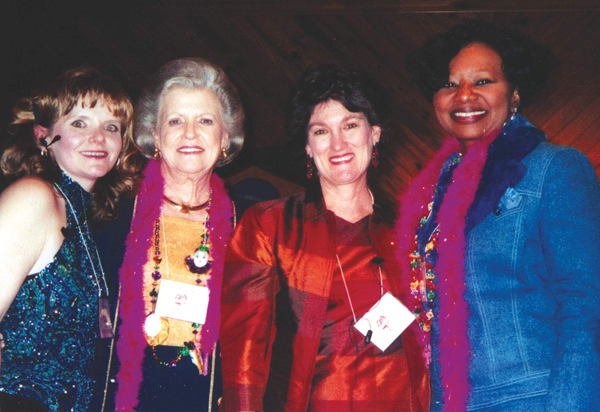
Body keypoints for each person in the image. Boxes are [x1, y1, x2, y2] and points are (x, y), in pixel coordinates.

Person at [399, 20, 600, 412]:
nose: (464, 95)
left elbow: (584, 311)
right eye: (449, 83)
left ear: (515, 93)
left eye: (484, 81)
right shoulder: (431, 192)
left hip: (531, 400)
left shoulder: (555, 169)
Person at [220, 65, 429, 412]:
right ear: (306, 145)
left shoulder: (413, 228)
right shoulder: (269, 226)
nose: (338, 144)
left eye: (350, 125)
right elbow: (244, 352)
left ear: (374, 133)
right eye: (321, 131)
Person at [0, 67, 142, 411]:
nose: (98, 138)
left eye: (111, 127)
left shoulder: (87, 219)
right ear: (43, 136)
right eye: (80, 123)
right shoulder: (34, 197)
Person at [111, 57, 244, 412]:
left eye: (205, 120)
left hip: (206, 396)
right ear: (154, 136)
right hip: (124, 394)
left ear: (225, 137)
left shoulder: (248, 225)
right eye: (175, 121)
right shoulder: (114, 213)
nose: (189, 133)